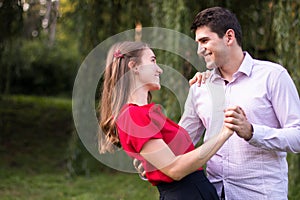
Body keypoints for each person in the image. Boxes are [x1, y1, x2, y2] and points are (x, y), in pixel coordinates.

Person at [178, 6, 300, 199]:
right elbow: (182, 141)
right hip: (214, 193)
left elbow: (297, 135)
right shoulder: (199, 87)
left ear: (229, 37)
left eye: (204, 41)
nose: (199, 51)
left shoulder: (273, 76)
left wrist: (252, 132)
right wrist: (153, 159)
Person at [98, 41, 240, 200]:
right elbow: (174, 169)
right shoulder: (132, 115)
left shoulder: (146, 113)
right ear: (134, 66)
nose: (159, 69)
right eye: (152, 60)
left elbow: (175, 153)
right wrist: (224, 134)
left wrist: (209, 79)